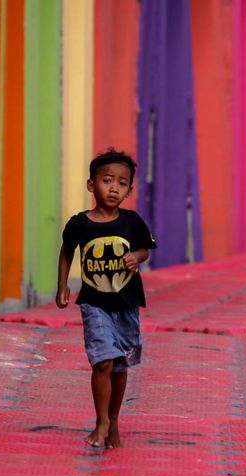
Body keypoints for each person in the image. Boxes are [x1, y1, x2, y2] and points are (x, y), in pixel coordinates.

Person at [56, 148, 156, 449]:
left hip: (126, 304)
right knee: (102, 362)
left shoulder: (132, 222)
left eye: (122, 183)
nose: (114, 187)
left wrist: (135, 257)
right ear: (91, 185)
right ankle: (100, 421)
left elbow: (145, 251)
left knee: (120, 366)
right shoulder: (79, 224)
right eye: (107, 180)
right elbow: (67, 251)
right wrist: (62, 285)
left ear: (129, 190)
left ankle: (114, 420)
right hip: (94, 302)